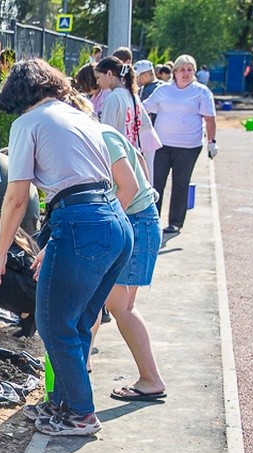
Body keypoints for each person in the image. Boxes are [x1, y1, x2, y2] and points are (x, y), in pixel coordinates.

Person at [0, 58, 134, 436]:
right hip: (115, 224)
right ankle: (62, 403)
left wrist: (3, 251)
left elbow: (17, 198)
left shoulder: (28, 123)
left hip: (80, 224)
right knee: (81, 321)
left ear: (20, 97)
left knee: (54, 325)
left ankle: (81, 414)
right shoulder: (81, 116)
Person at [92, 122, 167, 401]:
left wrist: (104, 223)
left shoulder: (102, 136)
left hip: (137, 221)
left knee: (120, 306)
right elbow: (140, 160)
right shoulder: (98, 133)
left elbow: (131, 186)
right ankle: (82, 363)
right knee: (99, 299)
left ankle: (151, 379)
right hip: (135, 219)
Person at [143, 54, 217, 234]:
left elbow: (210, 118)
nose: (186, 73)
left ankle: (175, 222)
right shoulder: (163, 90)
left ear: (194, 72)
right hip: (162, 145)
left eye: (190, 69)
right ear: (174, 72)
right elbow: (145, 109)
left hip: (188, 146)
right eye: (182, 69)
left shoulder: (201, 91)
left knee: (180, 184)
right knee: (156, 182)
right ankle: (153, 220)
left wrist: (212, 142)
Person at [94, 55, 155, 156]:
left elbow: (107, 134)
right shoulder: (132, 95)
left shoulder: (113, 98)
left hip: (119, 156)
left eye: (98, 77)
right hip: (133, 154)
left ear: (109, 74)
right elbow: (146, 125)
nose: (97, 82)